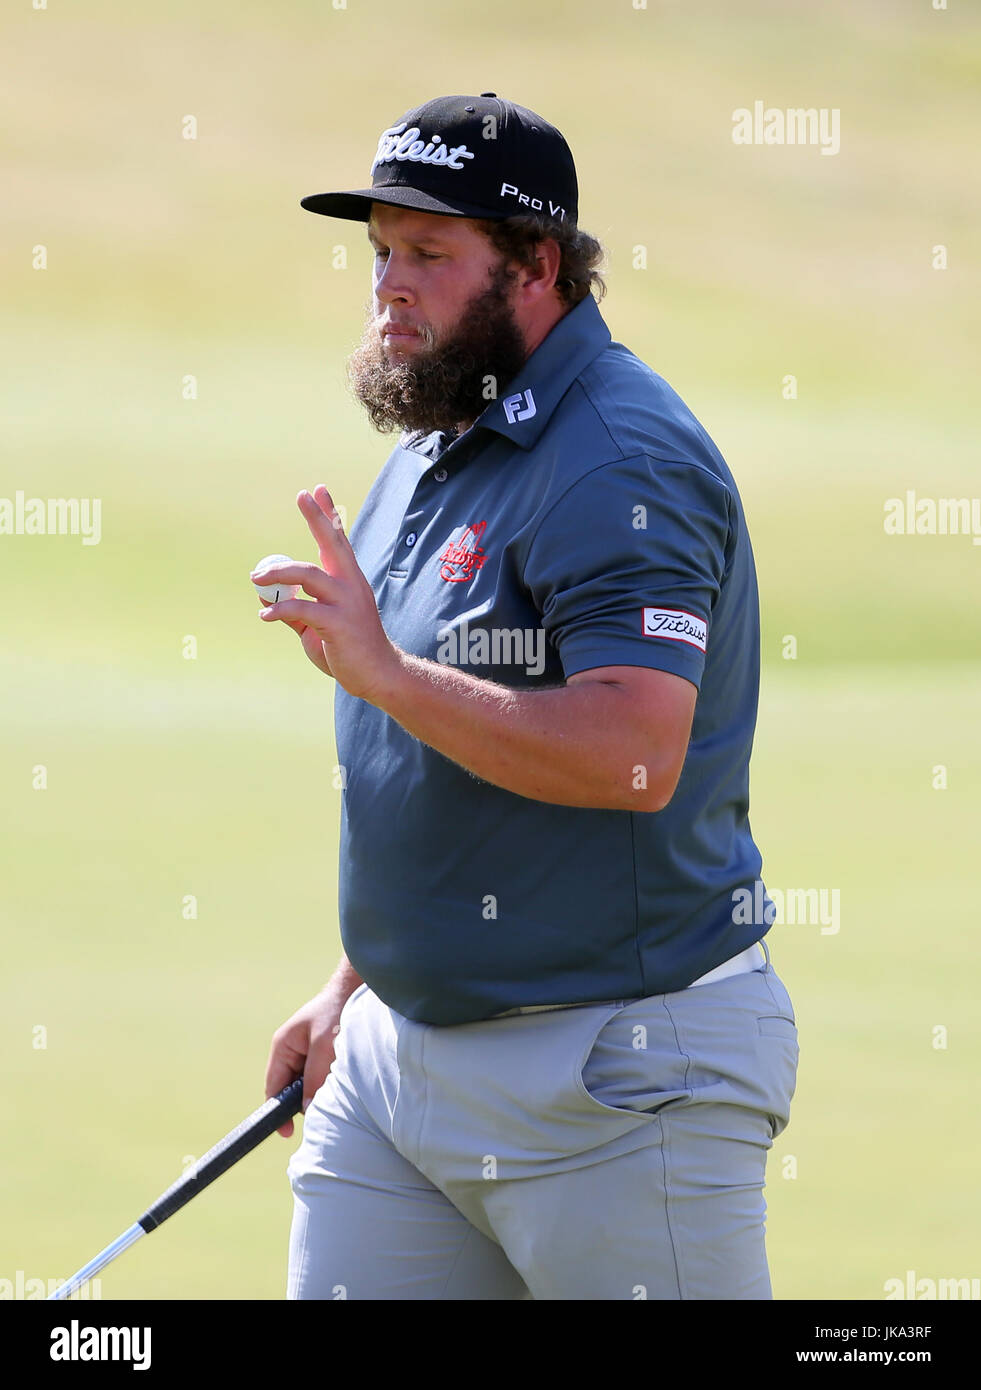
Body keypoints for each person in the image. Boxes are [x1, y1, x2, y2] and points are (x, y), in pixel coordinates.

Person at [254, 93, 799, 1300]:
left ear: (537, 265)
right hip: (401, 1077)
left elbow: (636, 752)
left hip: (615, 1079)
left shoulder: (620, 459)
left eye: (432, 255)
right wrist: (361, 979)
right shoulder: (439, 437)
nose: (392, 285)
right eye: (382, 253)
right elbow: (436, 757)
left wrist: (385, 673)